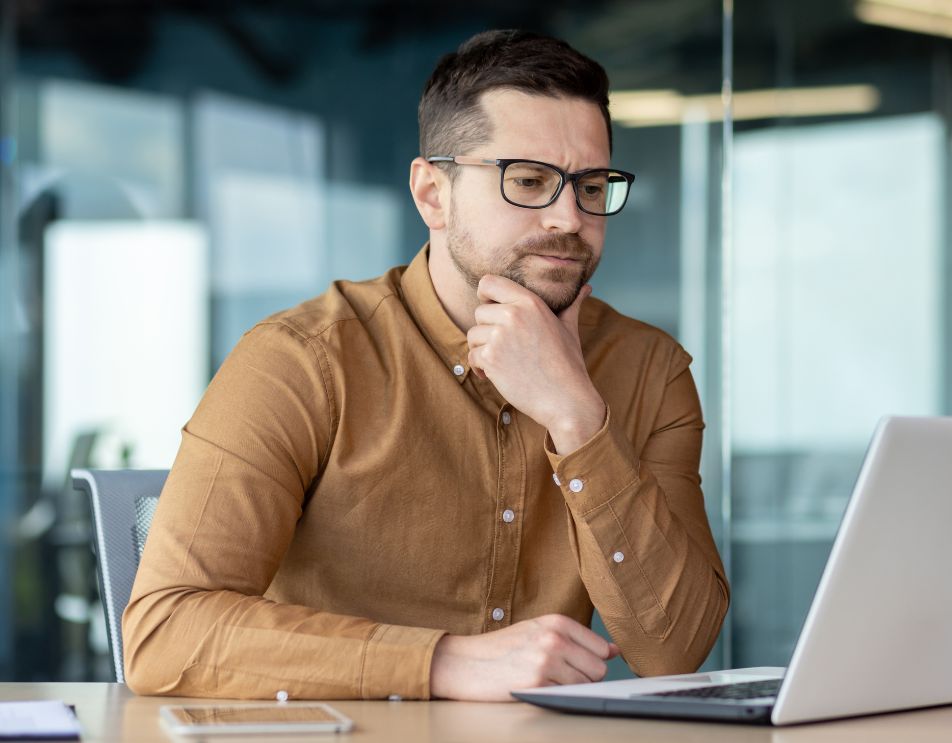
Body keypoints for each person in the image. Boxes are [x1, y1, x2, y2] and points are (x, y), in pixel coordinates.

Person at [122, 29, 728, 702]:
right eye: (527, 181)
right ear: (432, 193)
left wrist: (576, 419)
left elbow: (673, 650)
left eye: (590, 185)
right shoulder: (302, 358)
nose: (569, 216)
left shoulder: (650, 369)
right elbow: (163, 631)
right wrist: (444, 662)